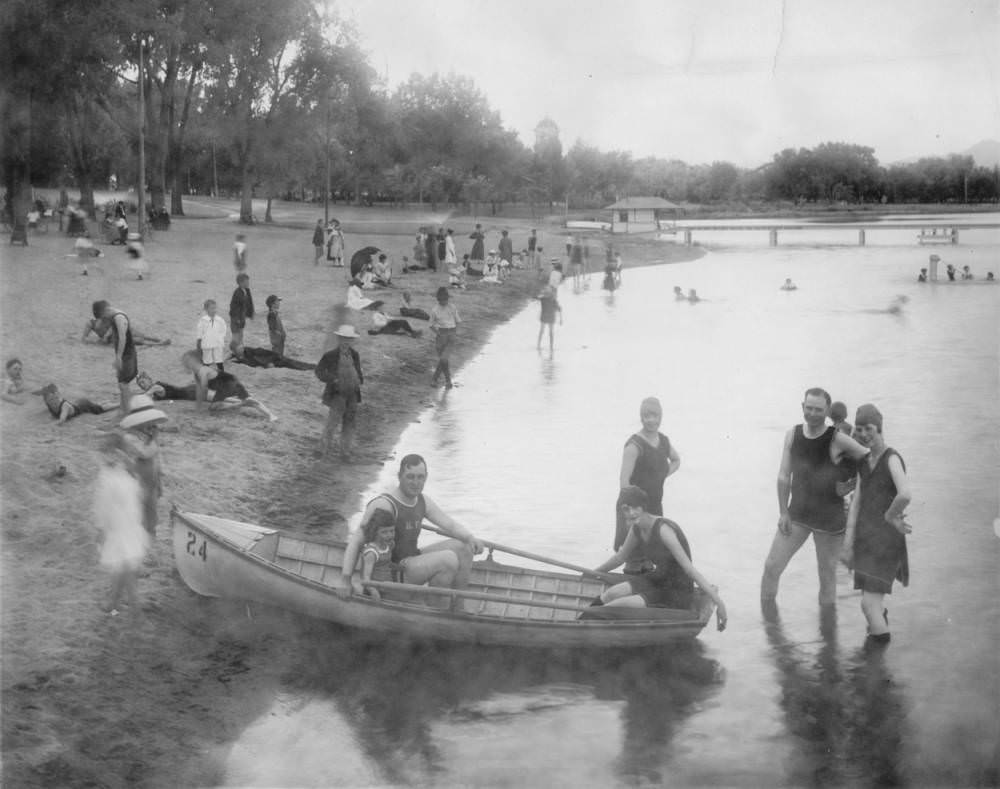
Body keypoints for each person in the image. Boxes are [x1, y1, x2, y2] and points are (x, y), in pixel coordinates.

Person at [761, 387, 871, 606]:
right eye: (808, 408)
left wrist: (852, 483)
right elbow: (784, 476)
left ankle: (829, 636)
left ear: (827, 411)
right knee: (772, 566)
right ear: (802, 407)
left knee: (827, 577)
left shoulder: (837, 439)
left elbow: (871, 459)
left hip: (829, 520)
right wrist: (783, 512)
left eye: (818, 410)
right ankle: (768, 620)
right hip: (797, 515)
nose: (812, 414)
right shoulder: (793, 434)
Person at [336, 454, 484, 606]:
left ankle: (458, 606)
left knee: (464, 547)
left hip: (411, 560)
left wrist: (470, 537)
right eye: (410, 477)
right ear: (399, 476)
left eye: (420, 477)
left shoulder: (422, 500)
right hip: (392, 571)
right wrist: (345, 580)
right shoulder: (384, 504)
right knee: (449, 559)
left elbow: (450, 525)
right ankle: (432, 613)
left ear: (426, 477)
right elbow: (356, 541)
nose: (416, 483)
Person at [589, 487, 727, 630]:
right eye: (626, 509)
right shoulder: (637, 528)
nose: (631, 513)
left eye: (635, 507)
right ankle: (581, 621)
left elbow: (690, 570)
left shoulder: (663, 529)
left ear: (643, 507)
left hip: (677, 590)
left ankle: (588, 626)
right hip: (658, 579)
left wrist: (720, 604)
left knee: (614, 606)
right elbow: (620, 557)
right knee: (611, 594)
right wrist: (592, 572)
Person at [841, 404, 911, 645]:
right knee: (869, 605)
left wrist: (891, 516)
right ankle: (877, 650)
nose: (863, 434)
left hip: (886, 541)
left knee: (869, 604)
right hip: (865, 538)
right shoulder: (863, 462)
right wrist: (848, 544)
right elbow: (857, 502)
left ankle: (877, 661)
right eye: (859, 429)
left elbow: (905, 494)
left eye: (868, 428)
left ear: (879, 428)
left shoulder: (892, 458)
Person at [614, 397, 681, 574]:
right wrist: (630, 514)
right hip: (634, 507)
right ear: (641, 417)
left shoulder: (664, 442)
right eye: (646, 416)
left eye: (655, 415)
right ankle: (629, 589)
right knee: (634, 559)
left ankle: (645, 592)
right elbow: (624, 483)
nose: (651, 420)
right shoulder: (634, 445)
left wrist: (662, 475)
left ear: (661, 416)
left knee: (651, 558)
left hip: (654, 506)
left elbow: (676, 460)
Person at [93, 434, 149, 615]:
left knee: (124, 571)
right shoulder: (127, 473)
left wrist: (101, 529)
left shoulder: (109, 477)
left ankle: (134, 607)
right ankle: (114, 603)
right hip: (130, 528)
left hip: (119, 529)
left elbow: (103, 506)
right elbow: (138, 499)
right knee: (122, 570)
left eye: (104, 453)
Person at [180, 350, 277, 421]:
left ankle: (242, 403)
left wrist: (197, 409)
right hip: (232, 382)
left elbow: (201, 391)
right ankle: (271, 415)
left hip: (226, 386)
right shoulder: (201, 371)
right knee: (250, 399)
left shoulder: (201, 372)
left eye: (187, 362)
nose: (185, 364)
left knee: (214, 408)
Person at [120, 401, 167, 540]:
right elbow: (145, 453)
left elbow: (157, 456)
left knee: (151, 508)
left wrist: (160, 475)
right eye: (148, 422)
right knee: (138, 508)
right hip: (137, 479)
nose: (151, 426)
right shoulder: (129, 437)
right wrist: (154, 439)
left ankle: (151, 532)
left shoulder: (148, 435)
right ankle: (138, 534)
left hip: (151, 478)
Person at [315, 325, 363, 459]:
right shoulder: (330, 355)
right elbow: (319, 371)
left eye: (349, 339)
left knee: (349, 422)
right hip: (338, 394)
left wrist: (359, 379)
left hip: (352, 393)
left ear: (352, 340)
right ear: (339, 339)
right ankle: (322, 449)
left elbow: (358, 369)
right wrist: (333, 379)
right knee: (333, 421)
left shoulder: (355, 354)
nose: (346, 341)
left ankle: (345, 452)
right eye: (344, 338)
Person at [92, 300, 138, 416]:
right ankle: (123, 410)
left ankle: (128, 413)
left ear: (105, 310)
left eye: (103, 316)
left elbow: (122, 337)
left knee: (124, 384)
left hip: (127, 355)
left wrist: (118, 357)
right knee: (122, 383)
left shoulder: (119, 317)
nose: (104, 319)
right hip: (124, 354)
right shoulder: (113, 316)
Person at [359, 509, 397, 600]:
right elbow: (366, 578)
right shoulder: (372, 553)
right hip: (375, 591)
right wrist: (373, 591)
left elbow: (385, 564)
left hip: (387, 586)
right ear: (375, 532)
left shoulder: (390, 544)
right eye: (384, 532)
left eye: (392, 531)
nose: (389, 535)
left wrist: (397, 567)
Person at [38, 383, 117, 424]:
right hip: (78, 403)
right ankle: (106, 401)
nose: (53, 402)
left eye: (55, 399)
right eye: (50, 400)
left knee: (99, 410)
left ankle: (119, 404)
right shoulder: (49, 405)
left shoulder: (64, 406)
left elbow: (62, 420)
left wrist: (49, 425)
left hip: (84, 405)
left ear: (57, 397)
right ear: (46, 401)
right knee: (95, 405)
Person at [429, 286, 459, 388]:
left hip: (451, 334)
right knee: (443, 360)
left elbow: (458, 321)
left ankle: (445, 381)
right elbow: (430, 325)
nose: (444, 302)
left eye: (446, 299)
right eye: (442, 300)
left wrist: (454, 333)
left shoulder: (452, 307)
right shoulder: (434, 310)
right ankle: (444, 381)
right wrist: (438, 333)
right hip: (440, 335)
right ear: (438, 300)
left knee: (444, 359)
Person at [83, 316, 171, 347]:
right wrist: (95, 341)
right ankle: (159, 344)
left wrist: (105, 336)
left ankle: (160, 340)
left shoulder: (105, 317)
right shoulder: (90, 323)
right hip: (114, 338)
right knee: (138, 341)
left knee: (142, 336)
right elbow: (84, 338)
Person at [196, 299, 228, 369]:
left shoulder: (220, 320)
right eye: (212, 308)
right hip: (207, 344)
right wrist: (199, 341)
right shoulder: (203, 320)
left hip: (217, 344)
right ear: (206, 309)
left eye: (215, 308)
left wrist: (221, 338)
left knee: (219, 360)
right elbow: (200, 332)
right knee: (207, 361)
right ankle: (204, 374)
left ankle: (221, 375)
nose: (214, 310)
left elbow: (224, 329)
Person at [228, 273, 254, 357]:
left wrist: (250, 314)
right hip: (235, 318)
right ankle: (234, 350)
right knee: (236, 336)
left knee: (241, 335)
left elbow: (249, 303)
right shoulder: (237, 292)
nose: (248, 283)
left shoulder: (247, 291)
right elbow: (233, 307)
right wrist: (237, 318)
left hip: (242, 317)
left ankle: (239, 350)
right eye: (246, 282)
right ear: (240, 283)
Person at [537, 285, 562, 351]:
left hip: (545, 316)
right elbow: (558, 309)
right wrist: (561, 318)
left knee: (542, 331)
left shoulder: (543, 298)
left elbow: (538, 296)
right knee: (550, 332)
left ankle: (539, 345)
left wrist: (560, 318)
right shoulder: (552, 299)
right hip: (550, 317)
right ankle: (550, 347)